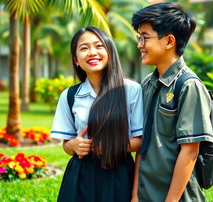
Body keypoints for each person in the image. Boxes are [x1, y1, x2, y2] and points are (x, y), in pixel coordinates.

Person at [131, 2, 213, 202]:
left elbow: (190, 152)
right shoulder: (147, 84)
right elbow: (144, 143)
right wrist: (135, 195)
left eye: (145, 37)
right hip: (146, 194)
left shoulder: (188, 85)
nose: (140, 44)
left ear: (169, 41)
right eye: (139, 37)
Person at [50, 26, 143, 202]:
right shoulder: (69, 95)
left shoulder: (131, 90)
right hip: (80, 176)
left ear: (109, 52)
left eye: (99, 46)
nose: (92, 52)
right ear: (76, 60)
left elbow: (141, 140)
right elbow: (66, 144)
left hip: (119, 174)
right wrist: (74, 146)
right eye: (84, 48)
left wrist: (111, 146)